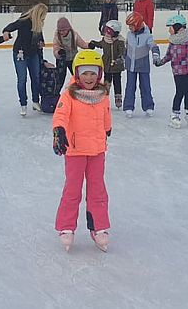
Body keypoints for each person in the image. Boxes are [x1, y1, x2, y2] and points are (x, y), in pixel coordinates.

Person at [52, 50, 112, 253]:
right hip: (75, 151)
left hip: (97, 151)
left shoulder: (103, 95)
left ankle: (98, 226)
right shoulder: (69, 94)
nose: (89, 78)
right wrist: (59, 131)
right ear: (77, 74)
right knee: (72, 190)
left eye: (93, 73)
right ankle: (66, 227)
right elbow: (60, 114)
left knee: (98, 190)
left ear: (100, 74)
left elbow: (106, 114)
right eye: (85, 73)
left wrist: (107, 128)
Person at [3, 3, 48, 116]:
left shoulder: (38, 24)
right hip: (20, 53)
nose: (44, 18)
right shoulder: (24, 20)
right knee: (22, 79)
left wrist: (41, 43)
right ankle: (23, 104)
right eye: (43, 15)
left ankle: (35, 101)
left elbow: (40, 37)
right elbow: (10, 27)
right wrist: (6, 32)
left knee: (36, 77)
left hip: (33, 54)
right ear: (39, 14)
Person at [122, 11, 159, 118]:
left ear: (137, 24)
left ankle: (148, 106)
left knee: (145, 86)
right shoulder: (129, 34)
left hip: (143, 66)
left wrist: (156, 55)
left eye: (131, 26)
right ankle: (128, 107)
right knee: (130, 86)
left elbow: (153, 46)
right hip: (130, 65)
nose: (129, 28)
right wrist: (123, 57)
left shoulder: (147, 35)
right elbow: (126, 48)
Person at [88, 20, 126, 109]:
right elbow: (101, 44)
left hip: (116, 65)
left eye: (108, 30)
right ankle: (105, 96)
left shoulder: (119, 41)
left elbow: (122, 51)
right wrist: (94, 43)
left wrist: (120, 58)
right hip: (107, 65)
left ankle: (118, 97)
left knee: (117, 81)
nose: (106, 32)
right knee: (107, 81)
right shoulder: (105, 39)